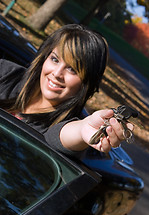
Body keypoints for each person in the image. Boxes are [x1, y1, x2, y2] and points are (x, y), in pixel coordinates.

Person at [0, 24, 133, 159]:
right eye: (55, 59)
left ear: (86, 83)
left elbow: (61, 136)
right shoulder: (6, 74)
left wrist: (83, 129)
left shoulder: (65, 128)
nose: (57, 73)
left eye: (72, 69)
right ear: (44, 58)